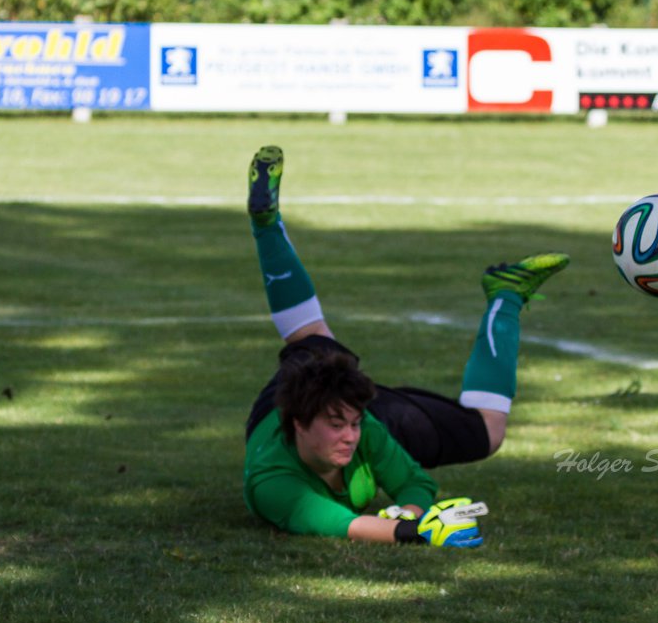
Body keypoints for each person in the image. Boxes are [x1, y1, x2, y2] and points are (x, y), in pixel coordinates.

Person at [241, 145, 568, 546]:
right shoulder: (272, 484)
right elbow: (346, 525)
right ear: (299, 425)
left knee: (314, 339)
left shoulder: (365, 429)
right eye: (337, 425)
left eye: (354, 423)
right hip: (282, 408)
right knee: (489, 431)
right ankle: (507, 295)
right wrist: (420, 531)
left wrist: (407, 510)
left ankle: (267, 224)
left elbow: (415, 484)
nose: (350, 437)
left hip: (331, 396)